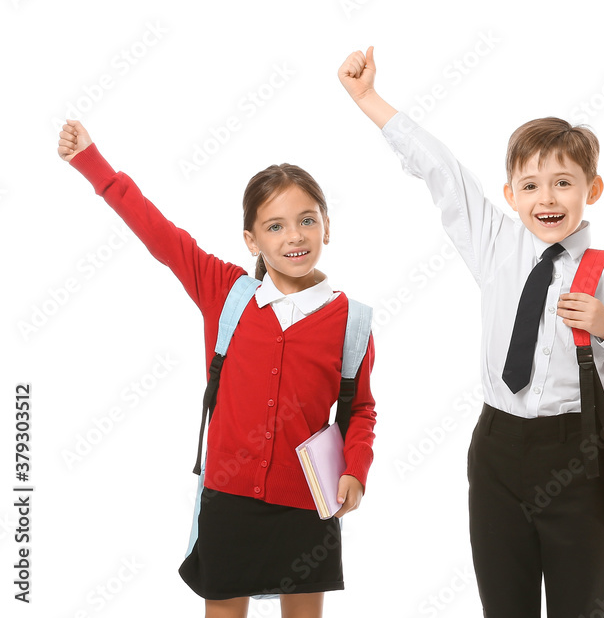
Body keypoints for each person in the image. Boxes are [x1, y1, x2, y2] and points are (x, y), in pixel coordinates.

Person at [338, 46, 604, 618]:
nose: (548, 198)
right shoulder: (494, 244)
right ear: (511, 194)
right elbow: (439, 168)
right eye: (532, 185)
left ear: (592, 189)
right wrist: (369, 99)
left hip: (579, 454)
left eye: (564, 183)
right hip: (496, 448)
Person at [57, 120, 376, 618]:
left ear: (328, 227)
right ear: (251, 240)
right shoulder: (225, 292)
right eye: (275, 226)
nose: (294, 236)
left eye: (307, 220)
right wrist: (92, 164)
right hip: (228, 499)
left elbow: (361, 410)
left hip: (307, 504)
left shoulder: (351, 319)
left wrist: (356, 469)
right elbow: (159, 233)